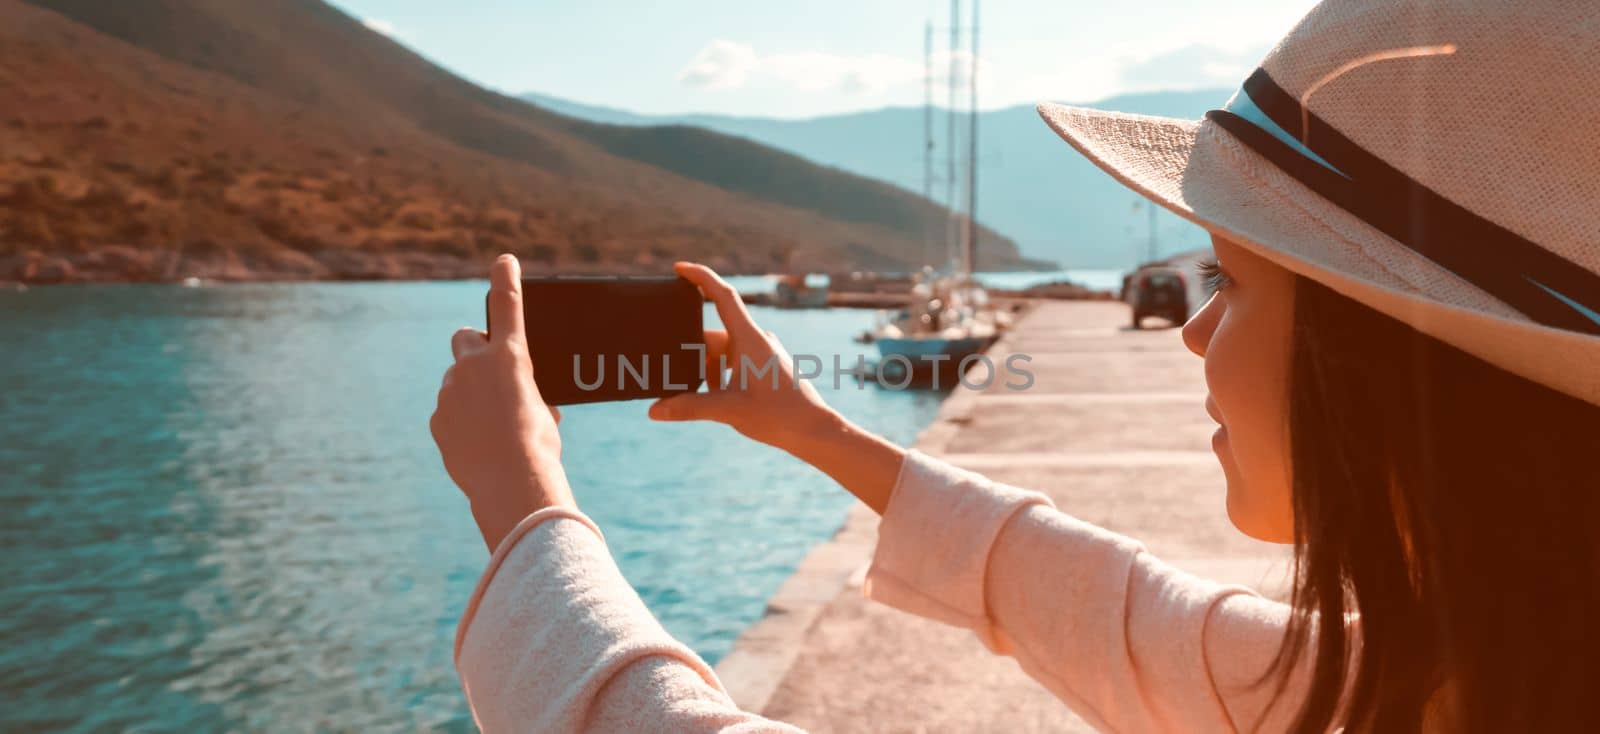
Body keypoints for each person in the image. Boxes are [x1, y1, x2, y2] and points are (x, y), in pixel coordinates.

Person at [429, 1, 1597, 731]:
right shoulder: (1457, 674)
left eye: (1230, 283)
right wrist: (808, 425)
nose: (1190, 329)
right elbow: (1117, 605)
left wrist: (523, 499)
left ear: (1388, 368)